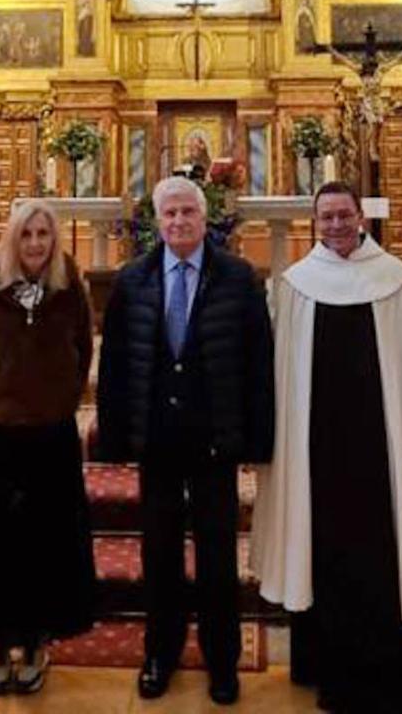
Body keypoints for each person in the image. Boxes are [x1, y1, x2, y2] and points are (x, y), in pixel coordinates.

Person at [251, 182, 402, 713]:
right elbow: (282, 373)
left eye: (344, 215)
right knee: (329, 553)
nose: (337, 225)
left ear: (360, 218)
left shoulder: (397, 281)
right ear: (315, 222)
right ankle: (331, 670)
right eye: (327, 217)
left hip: (388, 449)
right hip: (320, 453)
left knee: (393, 552)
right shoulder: (296, 285)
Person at [97, 175, 275, 706]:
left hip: (215, 438)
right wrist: (116, 438)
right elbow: (114, 368)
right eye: (169, 214)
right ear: (157, 220)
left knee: (218, 555)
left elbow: (258, 365)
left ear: (204, 218)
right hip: (157, 439)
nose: (178, 222)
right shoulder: (133, 279)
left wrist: (257, 440)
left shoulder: (240, 278)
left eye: (187, 213)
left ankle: (223, 661)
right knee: (160, 553)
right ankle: (160, 653)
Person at [0, 199, 97, 695]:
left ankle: (37, 640)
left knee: (46, 539)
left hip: (51, 429)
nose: (36, 243)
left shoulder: (68, 282)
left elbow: (83, 344)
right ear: (13, 238)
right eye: (28, 234)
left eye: (43, 234)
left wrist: (66, 396)